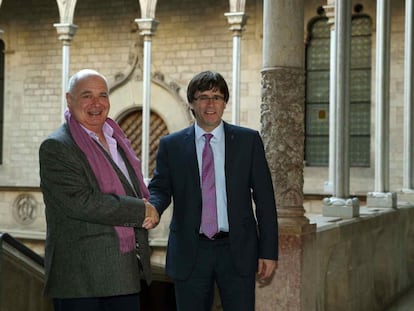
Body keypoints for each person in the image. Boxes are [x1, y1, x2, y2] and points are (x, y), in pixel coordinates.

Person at [147, 70, 278, 311]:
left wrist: (269, 252)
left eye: (217, 97)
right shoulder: (171, 145)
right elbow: (160, 188)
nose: (210, 103)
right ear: (192, 104)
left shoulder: (248, 141)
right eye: (203, 97)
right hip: (190, 251)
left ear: (224, 103)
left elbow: (265, 200)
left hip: (237, 251)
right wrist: (152, 207)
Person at [39, 69, 159, 311]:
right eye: (86, 95)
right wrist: (140, 210)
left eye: (102, 95)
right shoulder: (56, 146)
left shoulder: (116, 139)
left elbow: (131, 189)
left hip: (123, 274)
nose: (96, 103)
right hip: (81, 280)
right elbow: (81, 201)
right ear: (69, 99)